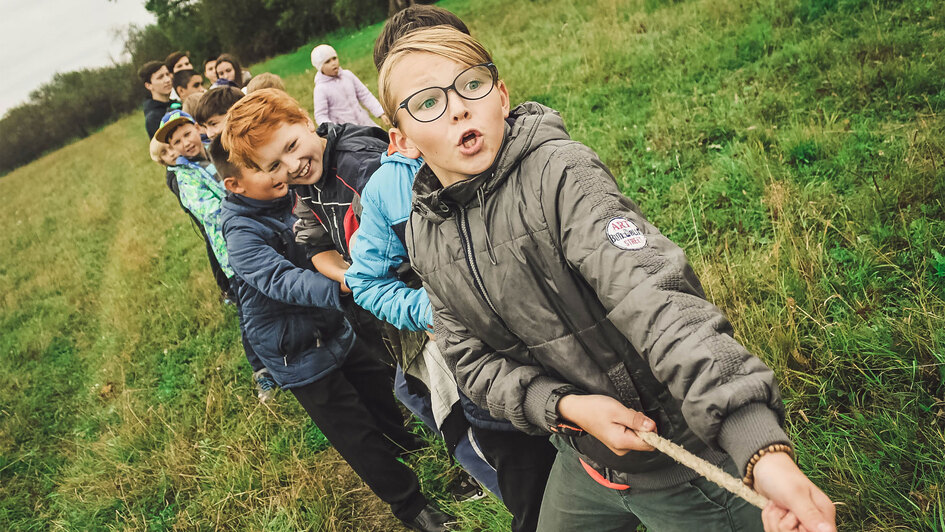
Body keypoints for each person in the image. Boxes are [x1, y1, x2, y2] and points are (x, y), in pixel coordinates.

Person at [379, 27, 838, 532]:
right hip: (583, 460)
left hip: (681, 466)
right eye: (427, 102)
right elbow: (470, 361)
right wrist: (564, 407)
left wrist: (756, 445)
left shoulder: (561, 176)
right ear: (400, 139)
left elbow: (657, 300)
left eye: (471, 85)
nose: (458, 109)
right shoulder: (425, 232)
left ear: (502, 96)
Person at [213, 138, 453, 532]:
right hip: (296, 350)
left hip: (334, 327)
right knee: (354, 430)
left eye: (277, 163)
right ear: (235, 185)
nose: (280, 172)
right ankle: (410, 506)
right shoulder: (240, 232)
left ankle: (407, 445)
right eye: (264, 168)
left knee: (379, 391)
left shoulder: (295, 195)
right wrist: (350, 285)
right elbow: (280, 279)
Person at [154, 110, 277, 403]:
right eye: (176, 141)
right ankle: (261, 371)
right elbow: (210, 212)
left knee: (274, 291)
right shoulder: (185, 177)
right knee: (250, 312)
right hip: (233, 252)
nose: (185, 143)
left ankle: (287, 348)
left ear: (197, 129)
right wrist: (248, 202)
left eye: (187, 133)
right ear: (171, 149)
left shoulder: (219, 154)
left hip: (261, 235)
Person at [311, 44, 387, 127]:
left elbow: (365, 95)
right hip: (347, 132)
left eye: (334, 58)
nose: (333, 63)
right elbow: (320, 115)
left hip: (365, 123)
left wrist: (381, 113)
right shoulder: (321, 89)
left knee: (383, 138)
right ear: (320, 67)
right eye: (327, 62)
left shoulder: (348, 75)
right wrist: (334, 129)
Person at [138, 60, 175, 138]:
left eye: (167, 74)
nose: (167, 80)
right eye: (160, 77)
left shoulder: (177, 104)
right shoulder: (153, 118)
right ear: (148, 85)